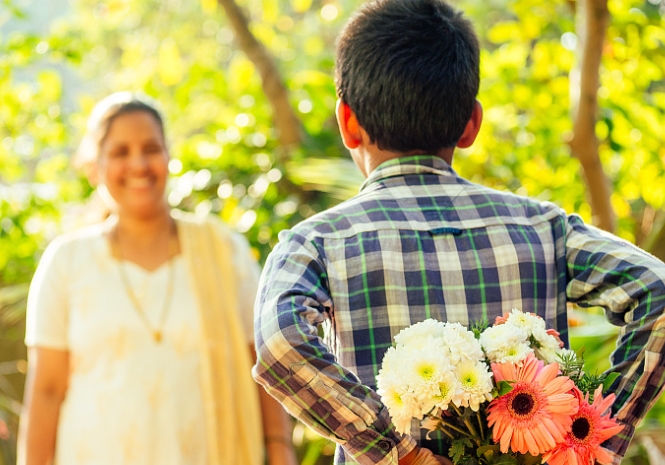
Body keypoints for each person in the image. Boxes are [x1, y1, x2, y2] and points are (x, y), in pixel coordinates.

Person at [251, 1, 665, 464]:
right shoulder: (545, 230)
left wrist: (398, 454)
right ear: (471, 123)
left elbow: (278, 343)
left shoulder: (318, 242)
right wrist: (591, 439)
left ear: (347, 122)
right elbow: (658, 292)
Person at [17, 92, 298, 465]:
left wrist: (280, 448)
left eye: (151, 148)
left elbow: (261, 360)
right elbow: (47, 390)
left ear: (168, 156)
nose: (138, 163)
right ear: (95, 166)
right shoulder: (66, 261)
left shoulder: (221, 250)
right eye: (120, 152)